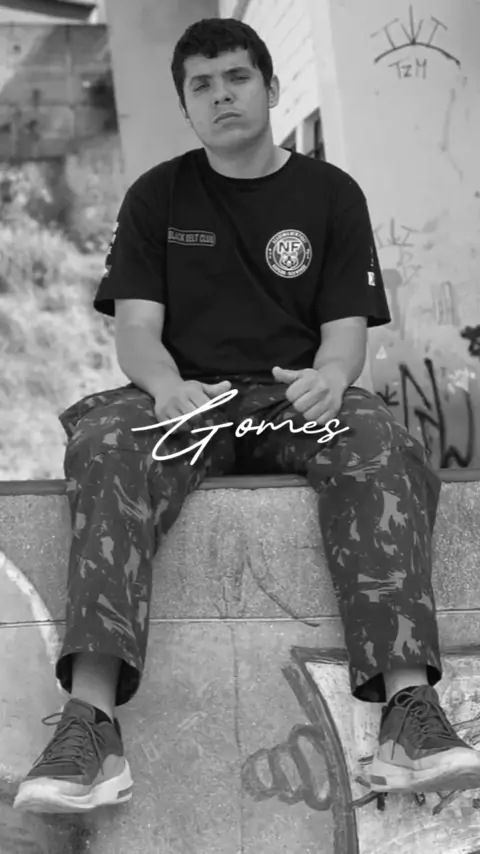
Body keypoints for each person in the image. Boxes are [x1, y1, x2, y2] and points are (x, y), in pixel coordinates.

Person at [13, 17, 480, 816]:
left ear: (270, 87)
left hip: (293, 400)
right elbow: (136, 331)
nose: (221, 95)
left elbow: (344, 335)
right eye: (201, 85)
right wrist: (166, 388)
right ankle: (90, 729)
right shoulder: (157, 195)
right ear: (186, 106)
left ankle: (408, 716)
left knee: (379, 438)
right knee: (104, 441)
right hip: (190, 402)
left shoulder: (330, 194)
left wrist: (331, 379)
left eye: (236, 77)